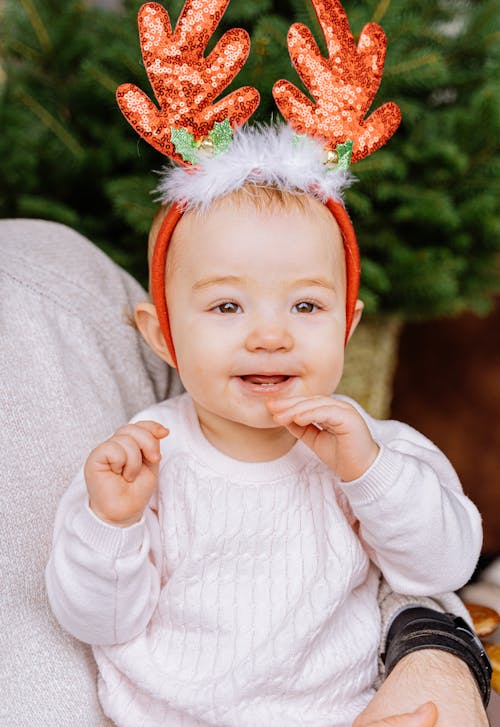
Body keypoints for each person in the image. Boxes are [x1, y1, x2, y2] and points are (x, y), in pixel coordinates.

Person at [43, 0, 489, 724]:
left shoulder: (374, 450)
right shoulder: (146, 461)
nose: (271, 336)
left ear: (348, 327)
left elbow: (441, 569)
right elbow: (100, 621)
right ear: (163, 336)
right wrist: (113, 524)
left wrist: (368, 472)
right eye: (227, 308)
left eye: (306, 308)